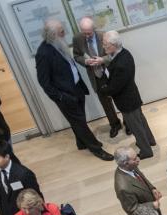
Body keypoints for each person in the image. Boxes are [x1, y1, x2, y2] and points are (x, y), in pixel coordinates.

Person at [34, 19, 113, 160]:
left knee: (79, 120)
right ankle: (97, 149)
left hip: (76, 89)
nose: (65, 33)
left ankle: (81, 143)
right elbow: (44, 82)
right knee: (80, 123)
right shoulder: (43, 53)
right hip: (65, 96)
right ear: (52, 34)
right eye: (61, 31)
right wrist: (61, 97)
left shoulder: (58, 45)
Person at [101, 31, 155, 159]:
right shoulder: (123, 53)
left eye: (105, 45)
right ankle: (150, 140)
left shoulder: (121, 64)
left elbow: (115, 87)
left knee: (135, 127)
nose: (103, 47)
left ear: (113, 45)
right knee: (141, 121)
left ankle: (146, 151)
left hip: (127, 101)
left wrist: (104, 90)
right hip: (132, 97)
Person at [71, 17, 123, 137]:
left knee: (120, 98)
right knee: (105, 102)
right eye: (84, 32)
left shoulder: (104, 35)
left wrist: (102, 60)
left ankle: (128, 123)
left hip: (110, 72)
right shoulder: (77, 39)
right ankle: (115, 124)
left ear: (94, 29)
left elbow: (116, 53)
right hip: (96, 76)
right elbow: (77, 55)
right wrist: (86, 61)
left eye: (89, 33)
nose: (87, 35)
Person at [113, 146, 162, 215]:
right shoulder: (123, 188)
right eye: (135, 158)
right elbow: (132, 209)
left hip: (153, 212)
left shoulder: (131, 166)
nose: (138, 159)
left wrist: (152, 188)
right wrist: (152, 205)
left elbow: (141, 176)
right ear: (126, 163)